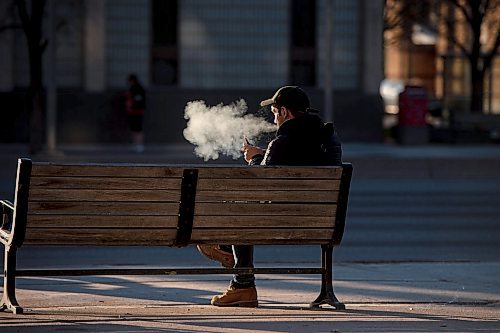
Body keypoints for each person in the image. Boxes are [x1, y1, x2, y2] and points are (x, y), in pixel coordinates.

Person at [198, 86, 343, 307]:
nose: (274, 119)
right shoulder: (329, 139)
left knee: (240, 208)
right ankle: (228, 252)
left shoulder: (281, 144)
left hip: (276, 221)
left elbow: (259, 186)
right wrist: (265, 154)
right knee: (244, 210)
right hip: (322, 222)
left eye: (275, 112)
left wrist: (256, 159)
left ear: (285, 112)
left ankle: (241, 281)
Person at [125, 74, 146, 152]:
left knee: (138, 129)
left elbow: (139, 100)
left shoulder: (137, 89)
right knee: (134, 129)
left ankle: (139, 144)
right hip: (133, 112)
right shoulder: (133, 88)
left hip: (137, 112)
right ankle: (136, 144)